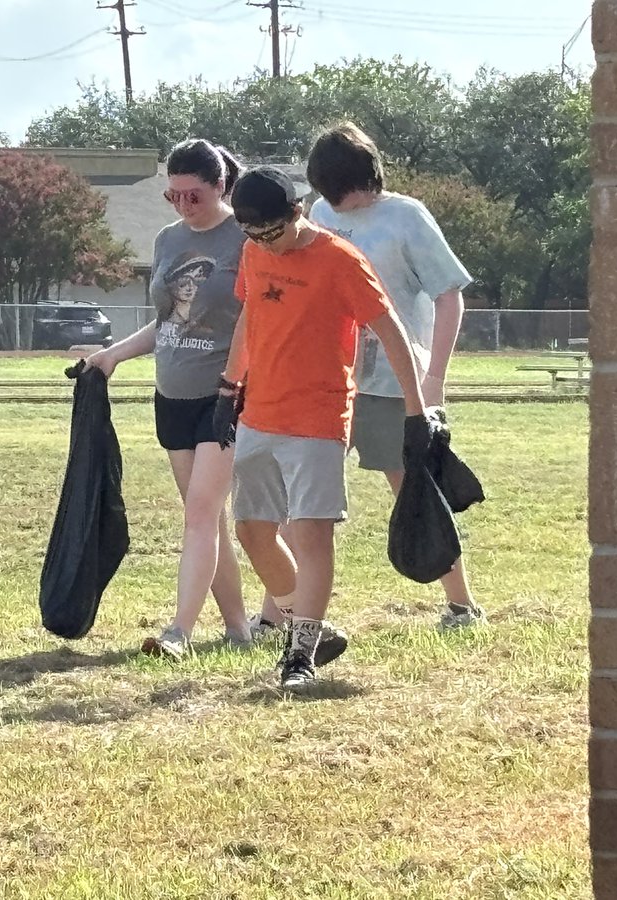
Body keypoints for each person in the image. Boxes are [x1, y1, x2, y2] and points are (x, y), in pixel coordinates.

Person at [221, 165, 431, 689]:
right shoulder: (253, 250)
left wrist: (417, 409)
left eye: (273, 232)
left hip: (318, 416)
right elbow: (249, 318)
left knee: (311, 532)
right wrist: (229, 386)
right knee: (252, 529)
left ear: (296, 212)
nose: (266, 244)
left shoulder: (340, 260)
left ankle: (300, 656)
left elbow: (391, 331)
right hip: (259, 413)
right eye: (253, 234)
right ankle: (309, 623)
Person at [299, 121, 484, 630]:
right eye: (328, 192)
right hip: (329, 379)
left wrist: (433, 379)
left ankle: (462, 606)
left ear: (367, 176)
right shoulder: (318, 212)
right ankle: (282, 610)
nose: (338, 202)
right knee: (305, 490)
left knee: (414, 491)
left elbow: (450, 294)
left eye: (346, 190)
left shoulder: (407, 217)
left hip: (393, 384)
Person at [83, 138, 257, 661]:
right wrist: (112, 355)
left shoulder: (245, 239)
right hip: (173, 394)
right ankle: (237, 629)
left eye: (194, 196)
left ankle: (178, 631)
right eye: (173, 196)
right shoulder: (166, 241)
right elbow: (168, 323)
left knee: (201, 513)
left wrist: (236, 382)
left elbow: (259, 321)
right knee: (207, 517)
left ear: (221, 185)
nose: (184, 206)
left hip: (225, 393)